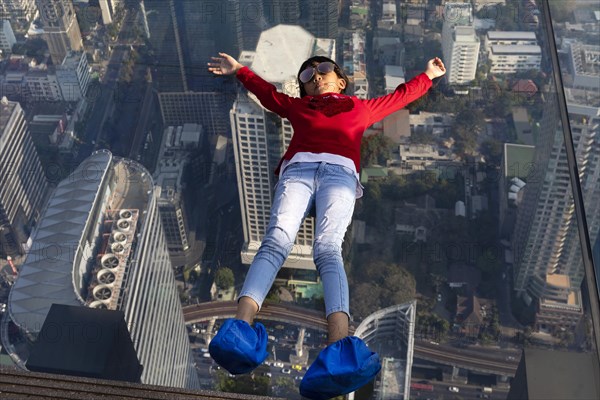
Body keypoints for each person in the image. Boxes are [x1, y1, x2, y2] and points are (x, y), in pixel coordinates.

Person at [207, 52, 446, 399]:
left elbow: (400, 97)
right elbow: (268, 94)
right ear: (304, 88)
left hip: (339, 176)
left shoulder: (360, 108)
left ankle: (339, 348)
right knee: (275, 243)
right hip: (300, 172)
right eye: (307, 74)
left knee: (327, 250)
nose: (315, 76)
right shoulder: (299, 108)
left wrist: (427, 75)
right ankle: (239, 329)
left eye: (323, 70)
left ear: (341, 80)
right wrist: (240, 71)